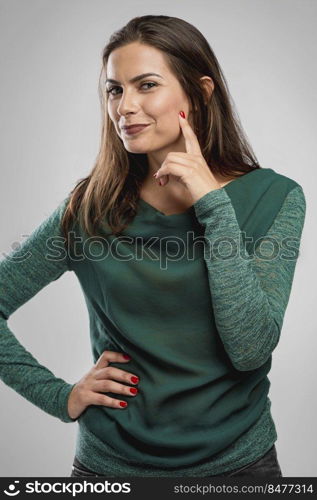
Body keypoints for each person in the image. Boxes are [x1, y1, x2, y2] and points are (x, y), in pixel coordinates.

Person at [0, 15, 306, 478]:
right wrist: (59, 396)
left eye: (146, 85)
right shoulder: (89, 208)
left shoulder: (276, 198)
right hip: (110, 471)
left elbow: (250, 349)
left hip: (240, 468)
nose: (124, 106)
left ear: (200, 93)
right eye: (114, 89)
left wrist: (212, 204)